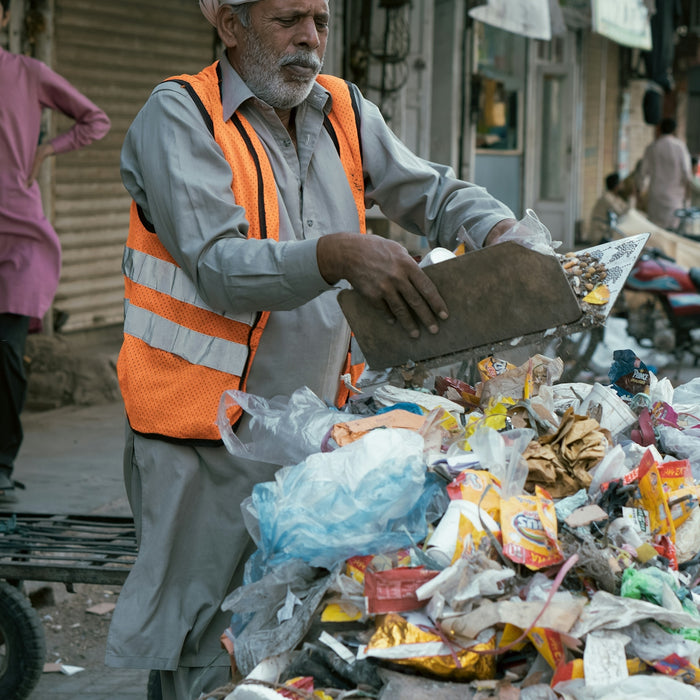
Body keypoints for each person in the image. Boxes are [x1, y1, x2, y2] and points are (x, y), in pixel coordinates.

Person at [104, 0, 517, 697]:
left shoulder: (343, 109)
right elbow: (218, 266)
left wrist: (502, 233)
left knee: (290, 639)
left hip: (317, 431)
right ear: (231, 26)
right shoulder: (178, 116)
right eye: (286, 19)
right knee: (207, 650)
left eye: (321, 22)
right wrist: (335, 255)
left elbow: (434, 192)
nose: (309, 39)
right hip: (204, 438)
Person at [0, 0, 110, 495]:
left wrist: (48, 148)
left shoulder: (27, 72)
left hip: (20, 232)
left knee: (6, 349)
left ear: (4, 17)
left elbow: (95, 119)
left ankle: (1, 464)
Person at [636, 117, 693, 230]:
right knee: (673, 234)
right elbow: (687, 175)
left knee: (656, 233)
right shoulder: (680, 147)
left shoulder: (652, 148)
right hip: (675, 201)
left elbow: (642, 174)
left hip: (656, 200)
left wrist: (640, 192)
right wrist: (687, 199)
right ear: (674, 130)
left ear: (659, 129)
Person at [588, 172, 632, 243]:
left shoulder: (615, 197)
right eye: (620, 183)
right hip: (599, 234)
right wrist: (631, 197)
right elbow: (620, 212)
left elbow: (625, 208)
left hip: (606, 232)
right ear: (616, 186)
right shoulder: (607, 198)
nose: (623, 185)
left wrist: (629, 197)